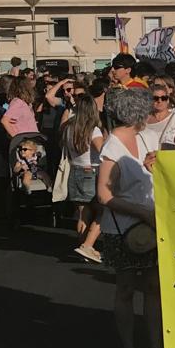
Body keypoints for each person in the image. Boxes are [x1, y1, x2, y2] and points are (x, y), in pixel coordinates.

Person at [96, 86, 164, 348]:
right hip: (124, 230)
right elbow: (104, 195)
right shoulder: (112, 147)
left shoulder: (147, 137)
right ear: (137, 112)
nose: (152, 112)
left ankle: (156, 347)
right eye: (148, 108)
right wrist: (141, 213)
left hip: (151, 226)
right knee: (125, 289)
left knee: (152, 288)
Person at [62, 95, 104, 262]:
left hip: (75, 170)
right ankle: (88, 245)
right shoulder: (93, 130)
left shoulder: (68, 128)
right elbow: (102, 151)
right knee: (103, 212)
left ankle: (83, 247)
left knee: (82, 213)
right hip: (91, 171)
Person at [140, 75, 175, 151]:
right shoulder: (143, 119)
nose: (159, 101)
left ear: (168, 100)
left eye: (163, 98)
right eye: (155, 98)